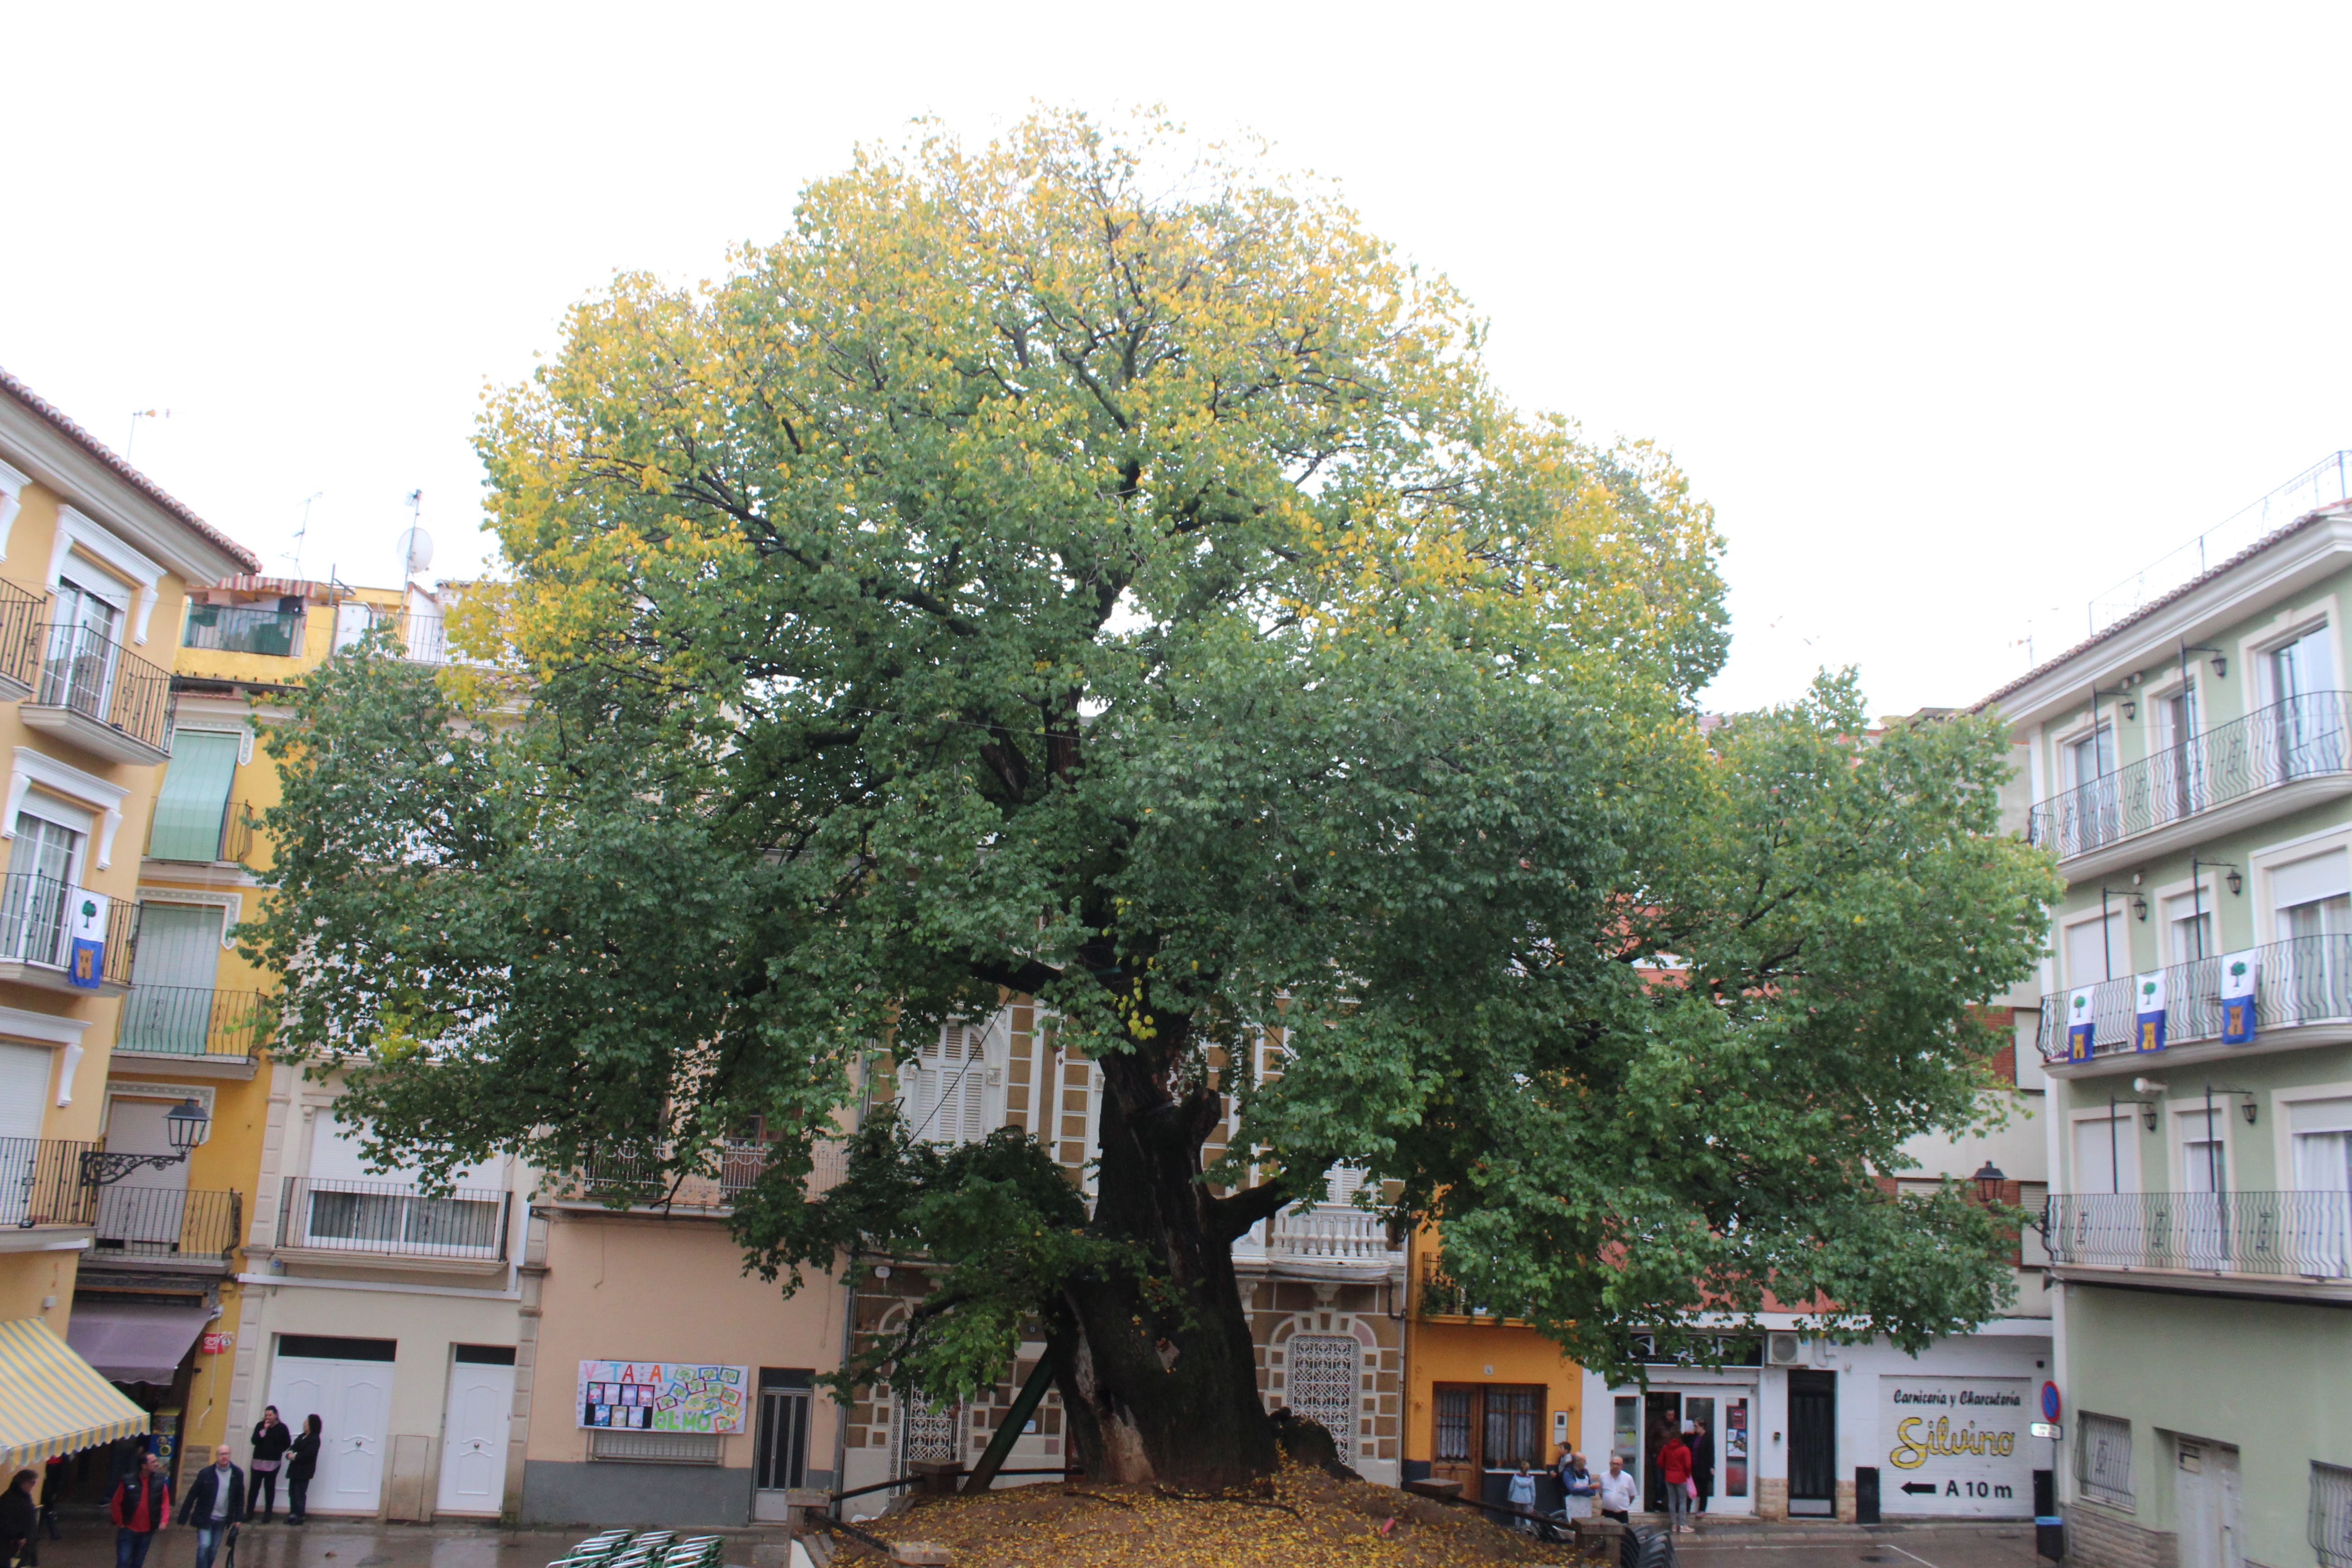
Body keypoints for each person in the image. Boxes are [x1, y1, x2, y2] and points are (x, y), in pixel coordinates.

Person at [176, 1447, 244, 1568]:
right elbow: (192, 1496)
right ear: (216, 1456)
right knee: (204, 1546)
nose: (224, 1457)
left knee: (213, 1549)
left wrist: (238, 1518)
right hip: (205, 1517)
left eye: (227, 1454)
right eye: (221, 1454)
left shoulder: (237, 1474)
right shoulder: (206, 1473)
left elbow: (240, 1497)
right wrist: (183, 1518)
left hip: (222, 1519)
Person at [107, 1452, 172, 1568]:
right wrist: (120, 1522)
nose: (157, 1464)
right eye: (153, 1462)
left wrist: (164, 1521)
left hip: (147, 1531)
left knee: (138, 1563)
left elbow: (165, 1502)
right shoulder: (128, 1480)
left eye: (156, 1461)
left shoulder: (160, 1482)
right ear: (144, 1466)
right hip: (128, 1529)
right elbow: (116, 1502)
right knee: (123, 1561)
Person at [246, 1409, 290, 1522]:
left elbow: (287, 1443)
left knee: (269, 1488)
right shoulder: (260, 1426)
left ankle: (268, 1513)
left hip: (273, 1463)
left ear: (276, 1416)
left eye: (270, 1415)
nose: (268, 1418)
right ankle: (250, 1512)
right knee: (254, 1488)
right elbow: (254, 1441)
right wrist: (264, 1430)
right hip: (258, 1462)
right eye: (266, 1415)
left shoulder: (282, 1428)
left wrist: (277, 1451)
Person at [1658, 1424, 1695, 1534]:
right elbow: (1688, 1465)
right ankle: (1683, 1524)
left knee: (1672, 1501)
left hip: (1669, 1476)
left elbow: (1660, 1462)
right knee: (1683, 1501)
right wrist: (1688, 1475)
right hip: (1681, 1477)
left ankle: (1674, 1524)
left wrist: (1667, 1469)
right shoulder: (1685, 1450)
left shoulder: (1665, 1448)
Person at [284, 1417, 321, 1526]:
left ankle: (300, 1516)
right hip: (294, 1470)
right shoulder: (302, 1437)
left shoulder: (315, 1439)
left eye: (306, 1422)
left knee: (300, 1494)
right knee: (292, 1493)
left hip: (304, 1471)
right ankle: (293, 1514)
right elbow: (294, 1446)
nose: (304, 1424)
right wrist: (290, 1453)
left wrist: (295, 1456)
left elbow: (308, 1455)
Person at [2, 1469, 37, 1568]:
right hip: (10, 1547)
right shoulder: (10, 1500)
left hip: (20, 1545)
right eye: (32, 1483)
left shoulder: (23, 1497)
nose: (33, 1487)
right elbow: (5, 1522)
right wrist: (19, 1536)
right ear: (24, 1483)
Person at [1597, 1452, 1637, 1524]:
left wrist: (1624, 1504)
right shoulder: (1603, 1477)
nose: (1616, 1466)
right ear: (1610, 1465)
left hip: (1622, 1513)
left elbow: (1632, 1495)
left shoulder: (1628, 1478)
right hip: (1607, 1512)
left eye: (1618, 1464)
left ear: (1622, 1466)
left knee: (1622, 1533)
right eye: (1614, 1464)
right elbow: (1601, 1493)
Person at [1556, 1449, 1595, 1519]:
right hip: (1573, 1507)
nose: (1586, 1463)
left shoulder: (1586, 1473)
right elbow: (1573, 1491)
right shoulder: (1568, 1473)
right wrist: (1588, 1488)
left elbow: (1593, 1492)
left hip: (1586, 1508)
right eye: (1584, 1461)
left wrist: (1580, 1490)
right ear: (1577, 1462)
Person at [1689, 1419, 1715, 1514]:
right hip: (1694, 1467)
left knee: (1703, 1489)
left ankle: (1702, 1509)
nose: (1695, 1429)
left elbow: (1711, 1453)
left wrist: (1712, 1467)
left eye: (1697, 1427)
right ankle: (1688, 1508)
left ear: (1702, 1427)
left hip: (1704, 1467)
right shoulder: (1694, 1437)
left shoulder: (1708, 1438)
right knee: (1692, 1488)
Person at [1505, 1460, 1537, 1533]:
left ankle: (1517, 1527)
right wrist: (1533, 1502)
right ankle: (1528, 1527)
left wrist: (1510, 1497)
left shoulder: (1515, 1477)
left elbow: (1511, 1489)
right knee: (1527, 1514)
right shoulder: (1531, 1479)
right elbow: (1533, 1492)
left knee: (1517, 1513)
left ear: (1520, 1468)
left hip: (1517, 1498)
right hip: (1527, 1499)